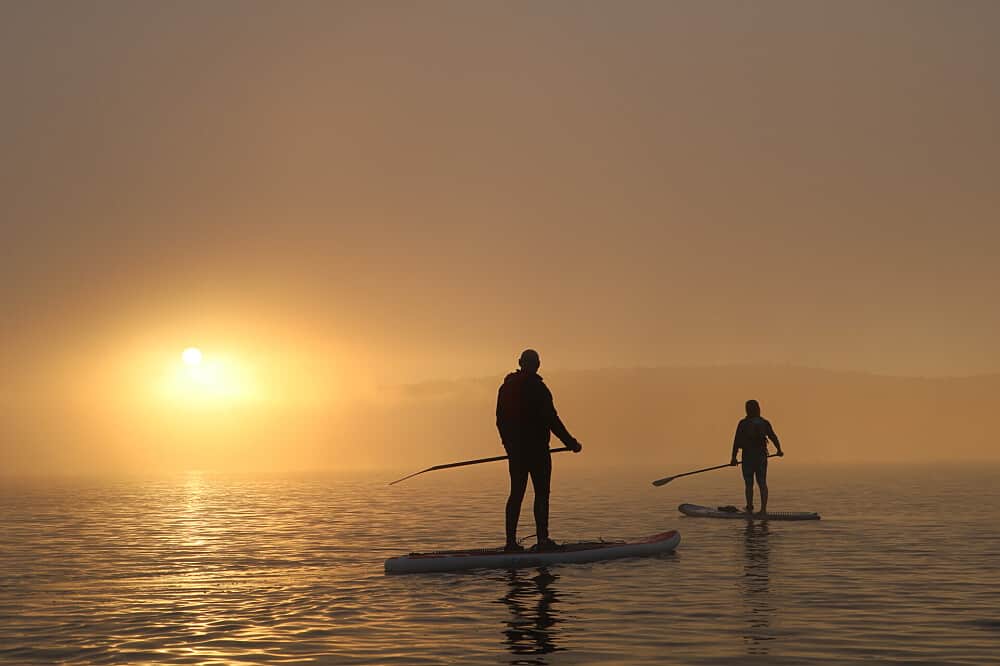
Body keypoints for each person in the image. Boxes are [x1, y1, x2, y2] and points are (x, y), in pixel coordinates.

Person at [496, 349, 582, 552]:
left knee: (516, 493)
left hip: (516, 453)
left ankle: (510, 543)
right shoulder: (539, 388)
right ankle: (542, 540)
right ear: (537, 365)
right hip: (538, 452)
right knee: (541, 493)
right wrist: (571, 443)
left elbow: (500, 421)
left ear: (520, 362)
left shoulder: (506, 388)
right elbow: (552, 420)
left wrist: (509, 447)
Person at [730, 399, 783, 514]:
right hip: (761, 457)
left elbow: (736, 442)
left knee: (749, 483)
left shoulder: (743, 423)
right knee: (762, 482)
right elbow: (773, 437)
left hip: (748, 457)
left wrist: (733, 458)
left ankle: (749, 508)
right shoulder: (764, 422)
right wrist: (779, 450)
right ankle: (763, 510)